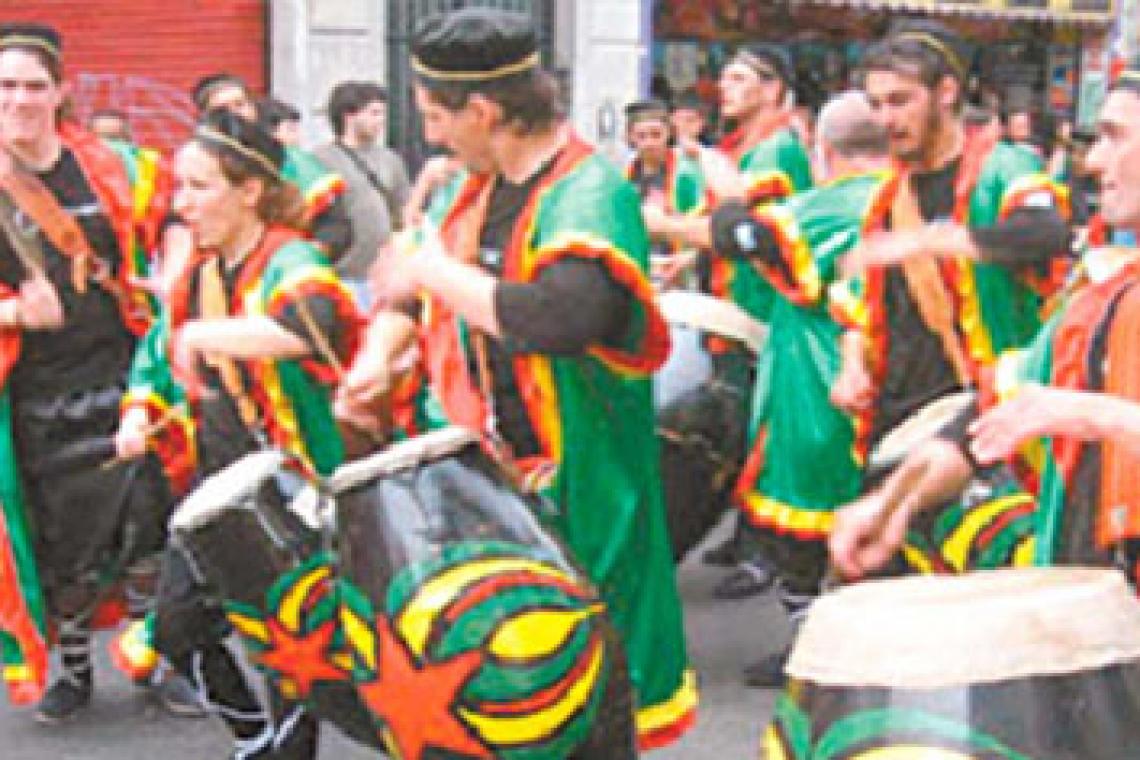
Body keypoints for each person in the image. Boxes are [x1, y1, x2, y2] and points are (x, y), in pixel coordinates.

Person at [339, 8, 696, 750]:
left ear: (485, 110)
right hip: (485, 490)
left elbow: (558, 319)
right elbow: (408, 296)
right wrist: (375, 360)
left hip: (583, 492)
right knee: (500, 694)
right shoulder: (470, 190)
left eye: (437, 115)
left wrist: (432, 267)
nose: (431, 134)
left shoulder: (591, 192)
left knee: (589, 692)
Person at [830, 70, 1140, 587]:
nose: (1092, 163)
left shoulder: (1003, 168)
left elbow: (1040, 233)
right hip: (1099, 607)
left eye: (1114, 136)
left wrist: (1097, 414)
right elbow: (990, 415)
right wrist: (890, 504)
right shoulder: (1106, 292)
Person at [114, 109, 359, 758]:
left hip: (293, 488)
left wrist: (205, 335)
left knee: (291, 646)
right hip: (217, 482)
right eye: (179, 188)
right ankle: (254, 742)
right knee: (174, 627)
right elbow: (161, 355)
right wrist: (140, 411)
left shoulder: (290, 257)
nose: (180, 204)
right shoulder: (201, 269)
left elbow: (314, 325)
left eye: (198, 187)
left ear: (249, 190)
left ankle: (285, 749)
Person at [0, 23, 173, 721]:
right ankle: (72, 671)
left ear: (62, 91)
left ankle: (163, 660)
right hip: (34, 395)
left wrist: (178, 273)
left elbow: (175, 219)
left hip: (126, 377)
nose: (19, 99)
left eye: (34, 85)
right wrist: (13, 316)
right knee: (61, 546)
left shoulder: (112, 167)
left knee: (148, 530)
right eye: (5, 86)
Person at [700, 92, 897, 686]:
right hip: (889, 381)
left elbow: (740, 236)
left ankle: (818, 650)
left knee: (809, 524)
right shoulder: (908, 198)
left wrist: (728, 193)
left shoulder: (832, 204)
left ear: (825, 151)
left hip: (820, 382)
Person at [829, 19, 1070, 487]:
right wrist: (852, 366)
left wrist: (935, 240)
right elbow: (857, 309)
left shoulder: (1004, 167)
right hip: (898, 418)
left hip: (982, 424)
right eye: (876, 105)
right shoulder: (886, 199)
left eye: (900, 101)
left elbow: (1045, 233)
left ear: (946, 93)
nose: (884, 120)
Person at [645, 44, 815, 595]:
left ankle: (767, 554)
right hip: (734, 308)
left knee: (763, 430)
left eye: (741, 79)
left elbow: (745, 237)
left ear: (772, 90)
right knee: (742, 423)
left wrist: (661, 225)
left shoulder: (774, 153)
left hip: (766, 313)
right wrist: (686, 262)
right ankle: (747, 536)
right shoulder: (742, 149)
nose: (726, 87)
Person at [192, 73, 352, 262]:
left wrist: (303, 258)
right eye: (222, 109)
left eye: (240, 104)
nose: (234, 114)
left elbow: (335, 227)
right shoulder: (195, 166)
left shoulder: (297, 164)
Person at [313, 81, 411, 306]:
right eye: (374, 113)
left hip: (383, 274)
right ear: (349, 116)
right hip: (343, 273)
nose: (381, 121)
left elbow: (404, 207)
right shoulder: (321, 160)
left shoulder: (390, 159)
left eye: (382, 114)